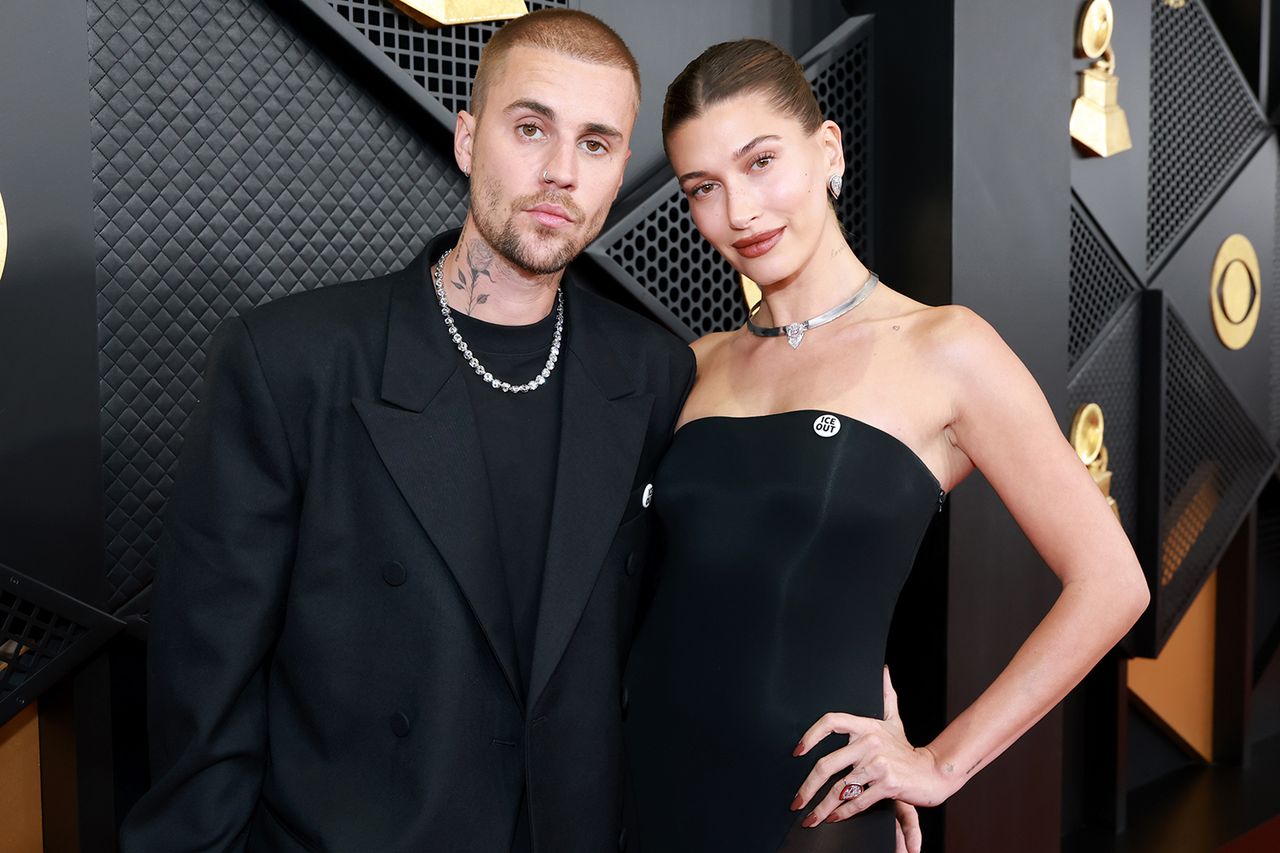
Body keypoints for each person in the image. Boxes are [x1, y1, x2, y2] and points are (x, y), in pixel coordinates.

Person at [119, 10, 697, 852]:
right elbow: (204, 685)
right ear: (467, 139)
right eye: (530, 128)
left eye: (598, 144)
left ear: (618, 176)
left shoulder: (654, 372)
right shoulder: (293, 361)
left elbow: (696, 613)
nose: (561, 172)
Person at [621, 39, 1150, 852]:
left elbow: (1112, 583)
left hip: (810, 811)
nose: (741, 211)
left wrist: (941, 761)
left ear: (827, 149)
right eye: (705, 188)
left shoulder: (945, 349)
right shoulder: (694, 364)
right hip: (643, 793)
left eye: (762, 162)